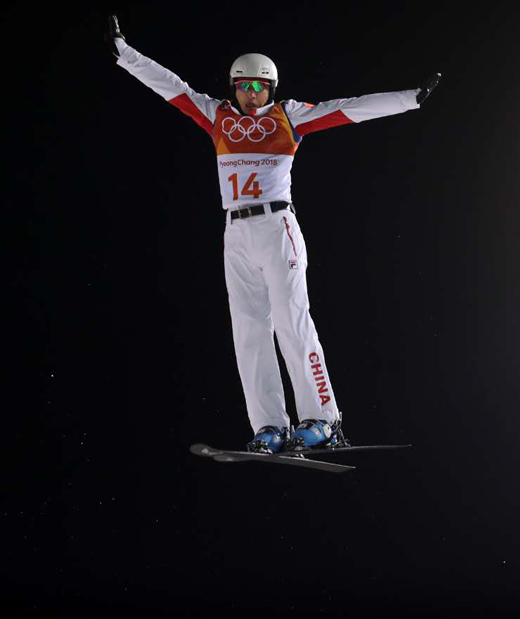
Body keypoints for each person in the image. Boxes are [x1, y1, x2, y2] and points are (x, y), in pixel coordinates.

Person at [104, 15, 440, 454]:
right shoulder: (217, 117)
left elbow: (349, 108)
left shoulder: (289, 117)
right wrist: (124, 54)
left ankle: (323, 419)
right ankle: (270, 427)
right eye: (243, 86)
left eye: (259, 87)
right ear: (232, 88)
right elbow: (172, 87)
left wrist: (410, 99)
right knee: (248, 331)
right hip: (236, 232)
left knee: (291, 323)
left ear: (272, 89)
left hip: (277, 227)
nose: (250, 94)